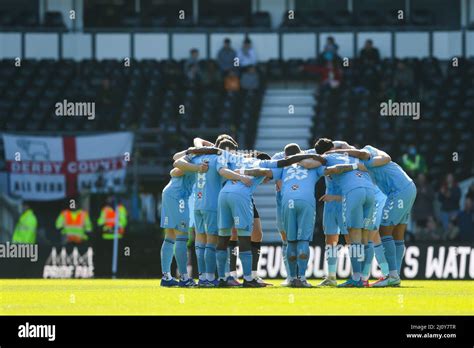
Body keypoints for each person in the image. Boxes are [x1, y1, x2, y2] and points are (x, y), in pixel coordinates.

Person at [327, 144, 417, 287]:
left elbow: (380, 157)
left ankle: (389, 275)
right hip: (408, 187)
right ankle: (394, 276)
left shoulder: (368, 152)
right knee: (398, 234)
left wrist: (340, 151)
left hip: (397, 191)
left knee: (383, 232)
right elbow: (357, 167)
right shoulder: (363, 165)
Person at [174, 140, 247, 287]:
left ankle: (201, 277)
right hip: (212, 204)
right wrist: (240, 177)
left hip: (198, 204)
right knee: (211, 241)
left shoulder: (198, 157)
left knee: (200, 240)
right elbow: (223, 171)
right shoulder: (220, 157)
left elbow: (176, 161)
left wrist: (195, 164)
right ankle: (210, 277)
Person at [314, 139, 381, 288]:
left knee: (353, 238)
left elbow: (312, 161)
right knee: (346, 238)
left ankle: (358, 277)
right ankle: (337, 276)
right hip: (360, 195)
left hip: (347, 197)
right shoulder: (352, 156)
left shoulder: (327, 158)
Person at [160, 161, 205, 287]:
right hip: (178, 197)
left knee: (169, 236)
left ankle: (166, 277)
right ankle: (184, 277)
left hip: (170, 194)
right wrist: (196, 167)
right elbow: (176, 171)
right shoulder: (193, 161)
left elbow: (174, 171)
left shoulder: (190, 160)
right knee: (182, 236)